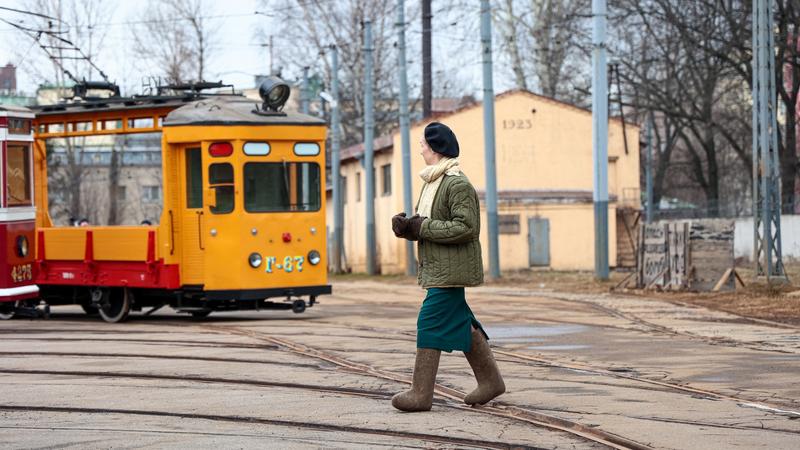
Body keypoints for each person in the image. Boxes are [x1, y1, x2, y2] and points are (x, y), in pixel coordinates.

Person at [390, 122, 505, 412]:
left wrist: (423, 226)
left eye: (423, 145)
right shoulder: (433, 182)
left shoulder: (457, 184)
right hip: (438, 267)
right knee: (461, 323)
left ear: (436, 149)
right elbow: (430, 225)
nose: (420, 149)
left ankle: (420, 393)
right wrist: (408, 228)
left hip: (451, 271)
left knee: (429, 323)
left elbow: (467, 228)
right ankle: (490, 381)